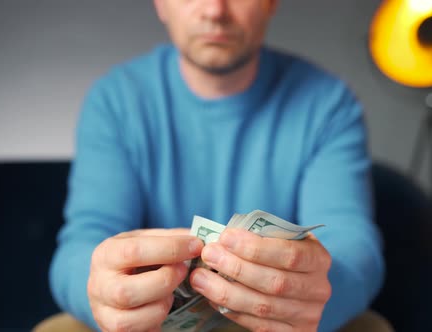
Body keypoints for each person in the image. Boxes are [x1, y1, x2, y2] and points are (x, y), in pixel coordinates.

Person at [49, 0, 387, 331]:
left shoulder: (328, 104)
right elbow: (82, 244)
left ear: (271, 3)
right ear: (160, 4)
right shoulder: (114, 101)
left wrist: (320, 294)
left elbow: (353, 244)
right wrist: (102, 293)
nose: (215, 10)